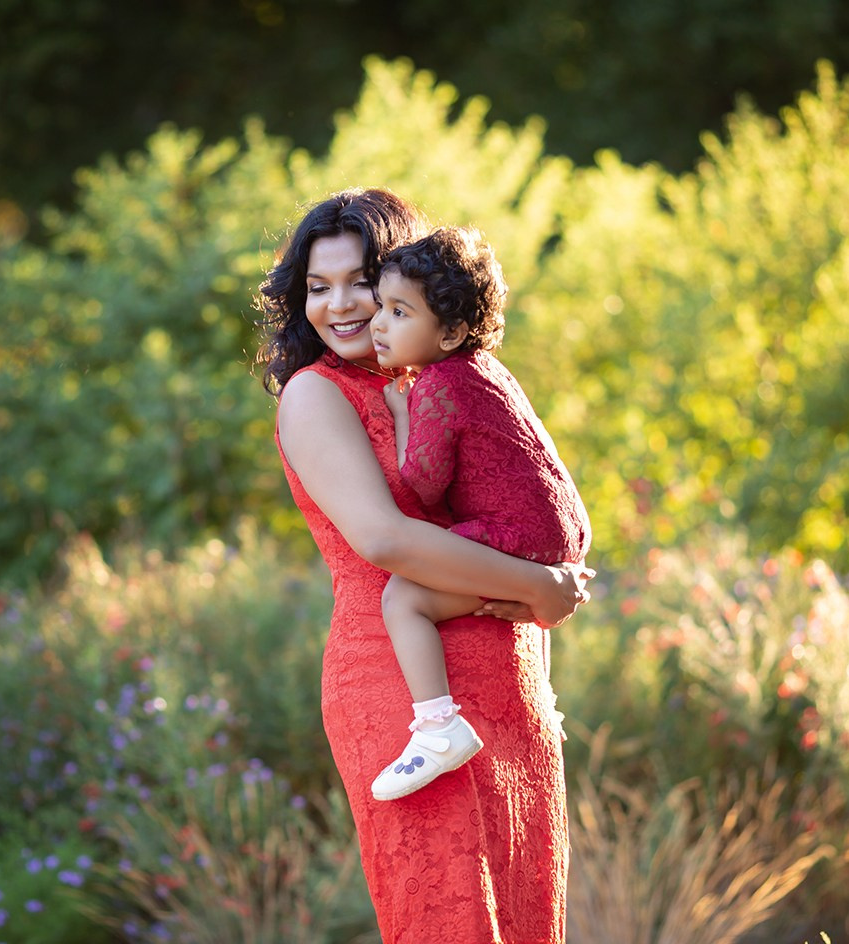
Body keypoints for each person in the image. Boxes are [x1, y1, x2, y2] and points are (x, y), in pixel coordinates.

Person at [258, 187, 591, 944]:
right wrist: (543, 590)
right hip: (404, 697)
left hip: (508, 685)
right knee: (450, 919)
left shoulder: (445, 380)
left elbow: (526, 501)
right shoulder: (315, 396)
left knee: (528, 916)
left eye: (360, 282)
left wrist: (538, 596)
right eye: (317, 287)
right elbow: (386, 541)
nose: (339, 305)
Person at [366, 226, 592, 804]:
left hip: (518, 531)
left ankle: (438, 726)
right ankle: (546, 697)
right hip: (559, 528)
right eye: (381, 308)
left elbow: (421, 485)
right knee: (504, 597)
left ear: (450, 332)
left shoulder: (437, 384)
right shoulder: (487, 370)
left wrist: (400, 415)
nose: (379, 324)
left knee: (405, 596)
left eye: (399, 312)